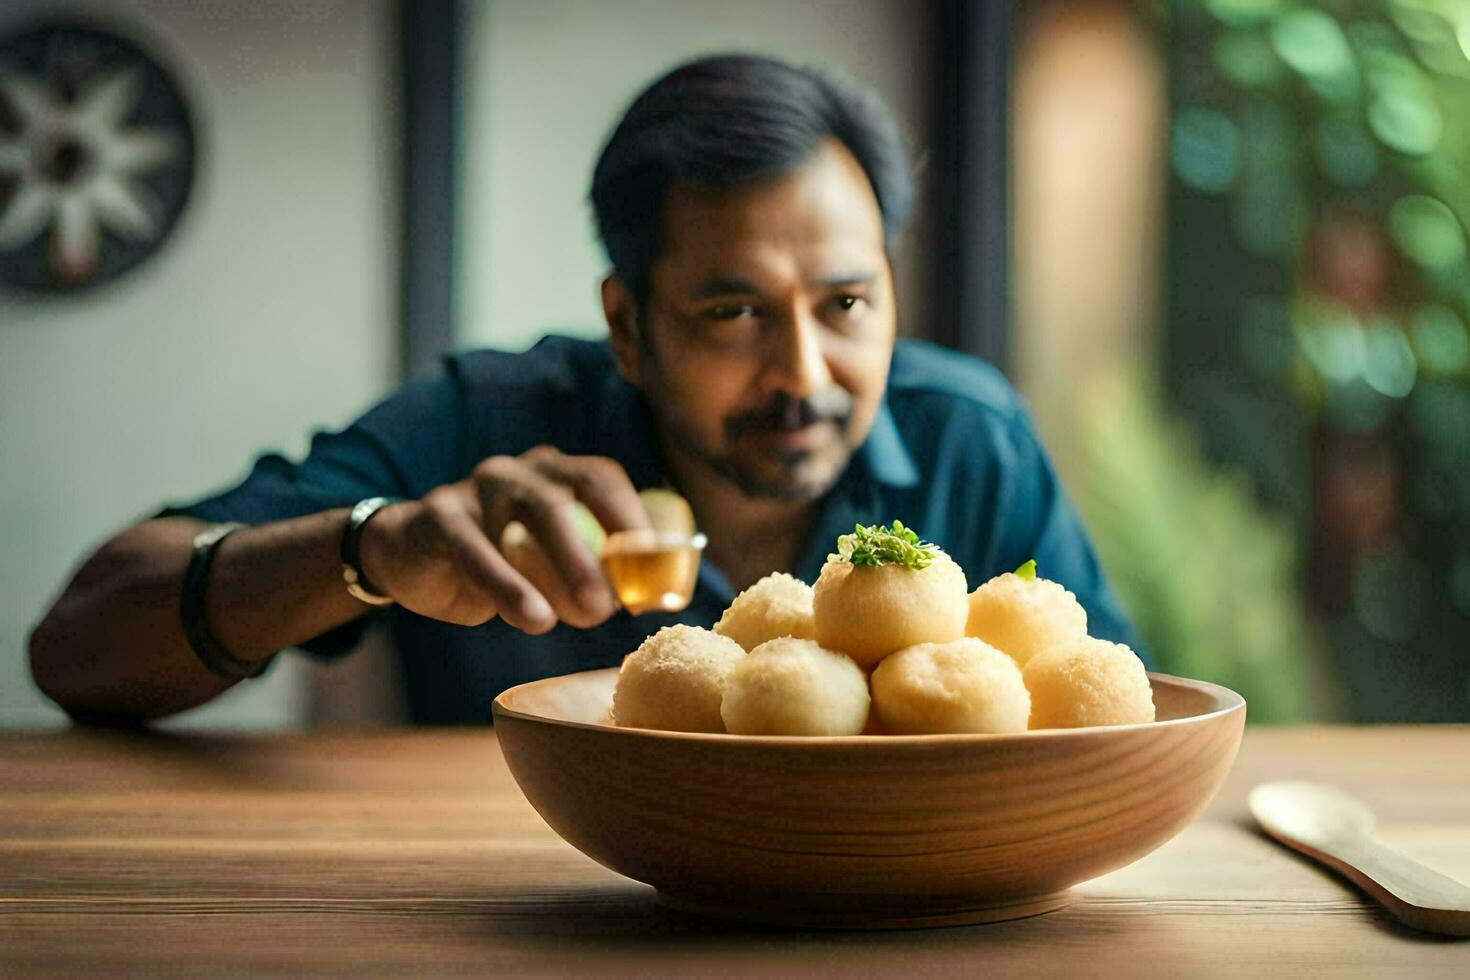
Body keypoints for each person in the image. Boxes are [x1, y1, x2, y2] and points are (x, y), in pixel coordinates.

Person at [29, 53, 1141, 725]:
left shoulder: (971, 440)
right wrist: (371, 549)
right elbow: (77, 644)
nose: (804, 373)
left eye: (846, 306)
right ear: (626, 322)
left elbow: (1120, 713)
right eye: (734, 312)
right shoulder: (485, 428)